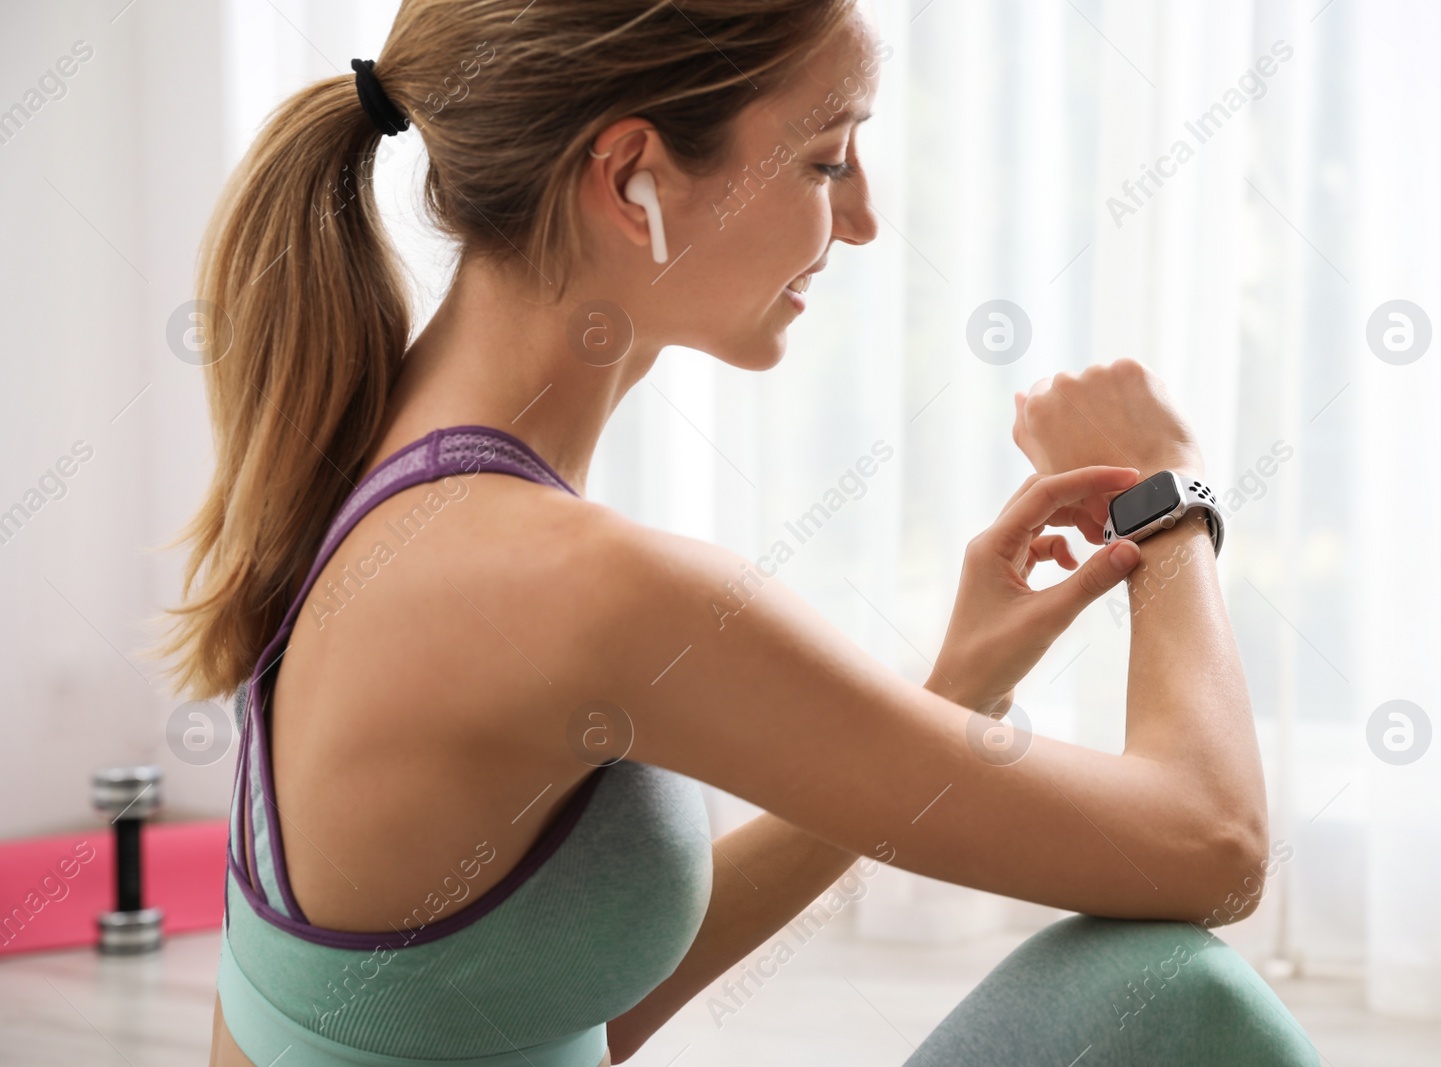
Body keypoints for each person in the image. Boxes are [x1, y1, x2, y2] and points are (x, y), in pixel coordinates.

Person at [162, 1, 1320, 1063]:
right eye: (826, 159)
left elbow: (532, 1015)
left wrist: (954, 691)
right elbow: (1210, 846)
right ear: (632, 181)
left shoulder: (374, 456)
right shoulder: (566, 582)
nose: (862, 220)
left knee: (1142, 983)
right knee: (1180, 991)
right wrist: (1168, 501)